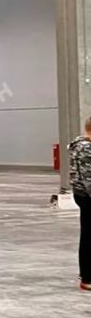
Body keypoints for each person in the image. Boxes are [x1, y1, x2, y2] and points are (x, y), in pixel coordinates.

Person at [67, 118, 91, 291]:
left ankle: (86, 274)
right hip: (88, 196)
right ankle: (87, 277)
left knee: (88, 235)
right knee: (89, 237)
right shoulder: (86, 148)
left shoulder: (78, 145)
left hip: (81, 194)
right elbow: (89, 178)